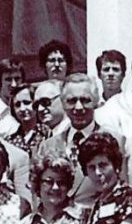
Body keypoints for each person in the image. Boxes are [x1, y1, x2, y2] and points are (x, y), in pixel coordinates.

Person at [34, 74, 124, 207]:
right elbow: (38, 194)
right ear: (63, 104)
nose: (78, 107)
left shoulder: (115, 140)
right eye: (71, 101)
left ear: (95, 102)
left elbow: (122, 188)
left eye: (85, 100)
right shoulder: (48, 146)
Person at [6, 83, 47, 155]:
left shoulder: (47, 133)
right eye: (17, 105)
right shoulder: (10, 141)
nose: (22, 108)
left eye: (26, 103)